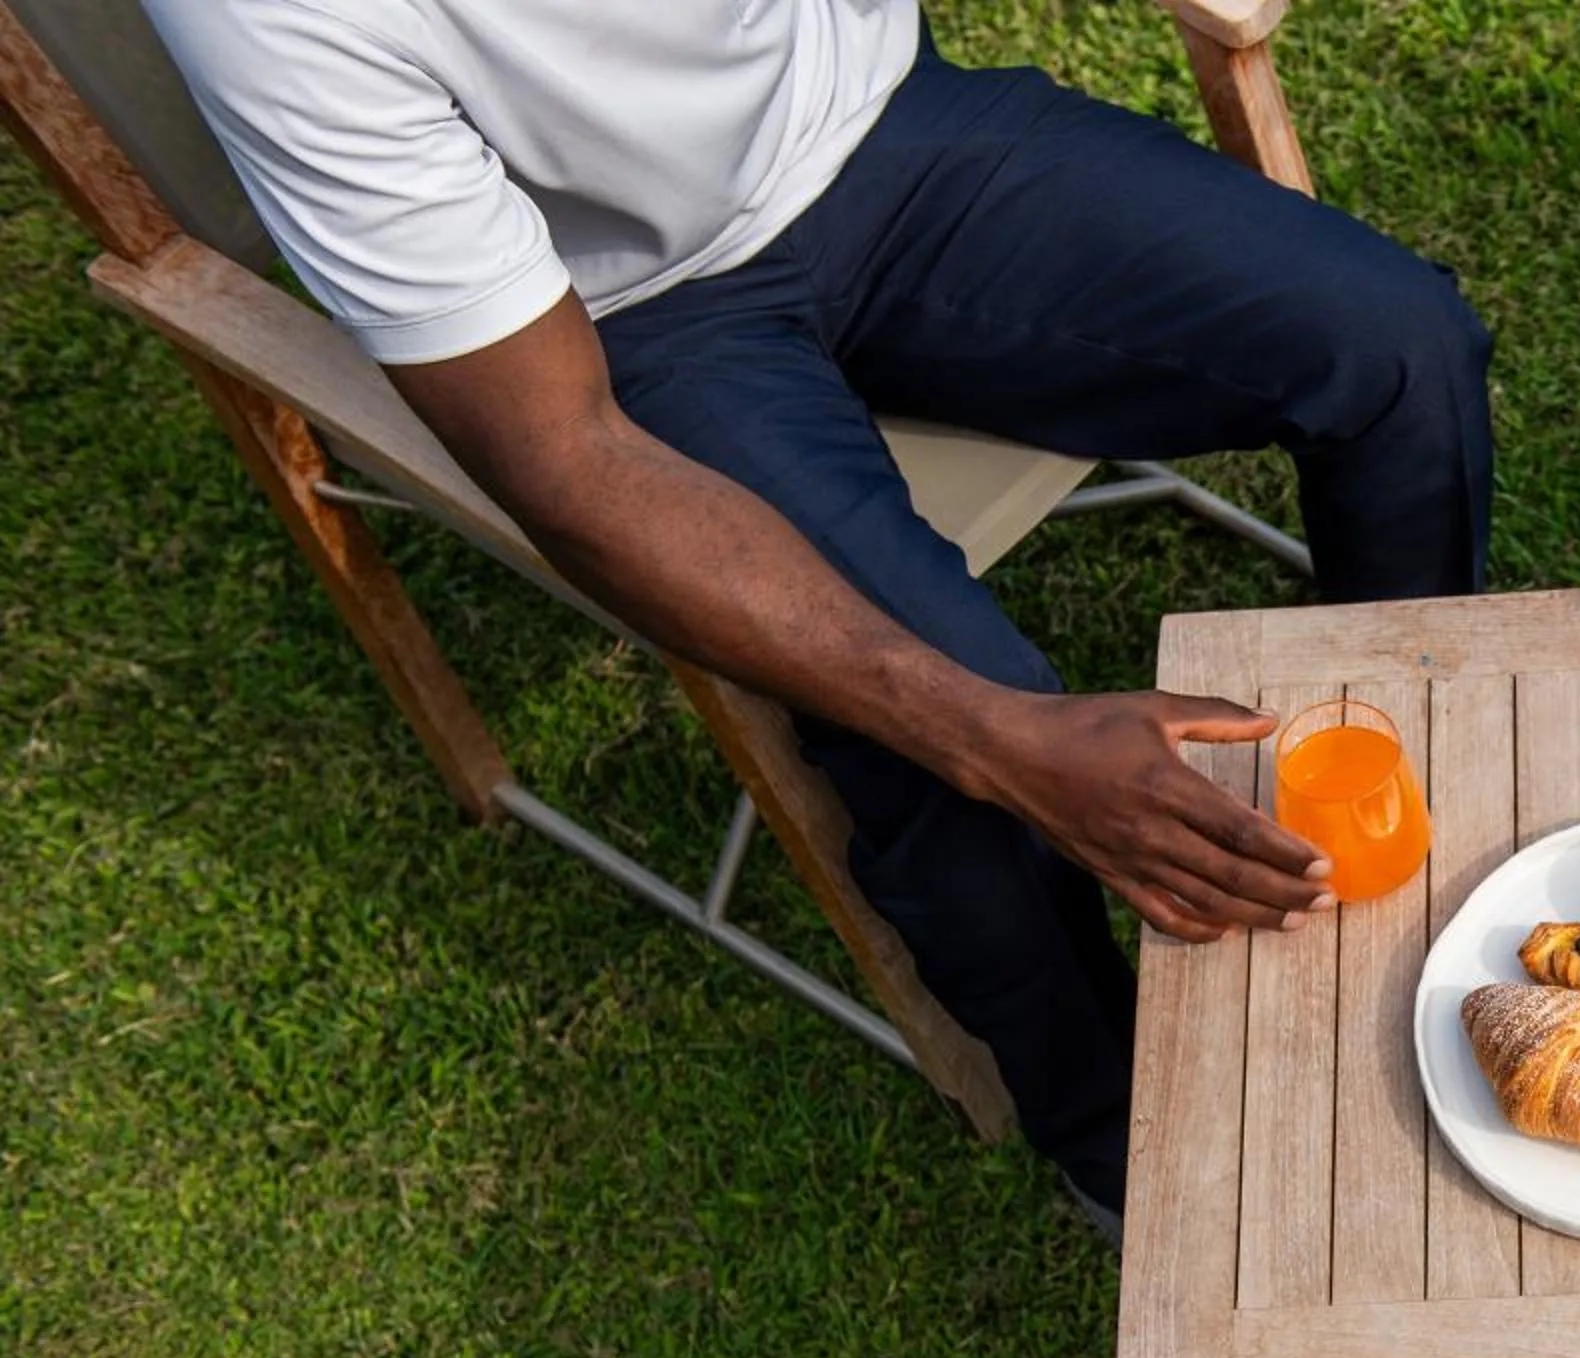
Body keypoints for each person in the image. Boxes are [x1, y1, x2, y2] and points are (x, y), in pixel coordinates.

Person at [142, 0, 1496, 1239]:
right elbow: (564, 455)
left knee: (1394, 343)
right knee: (956, 755)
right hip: (626, 326)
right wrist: (997, 737)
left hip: (885, 131)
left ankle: (1398, 792)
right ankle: (1127, 1146)